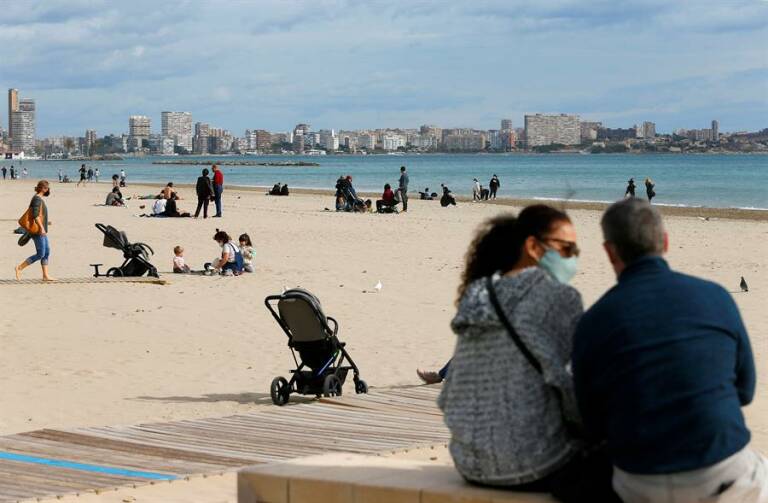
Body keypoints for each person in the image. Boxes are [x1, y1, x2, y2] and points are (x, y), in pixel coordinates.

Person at [572, 198, 766, 503]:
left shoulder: (594, 321)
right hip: (722, 470)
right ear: (665, 241)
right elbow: (745, 390)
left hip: (640, 478)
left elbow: (592, 420)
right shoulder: (716, 298)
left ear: (610, 251)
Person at [437, 205, 616, 501]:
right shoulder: (560, 298)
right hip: (536, 464)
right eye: (567, 249)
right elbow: (571, 390)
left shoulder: (478, 293)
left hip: (469, 463)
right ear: (532, 246)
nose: (573, 259)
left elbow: (448, 395)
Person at [15, 180, 54, 281]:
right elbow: (36, 215)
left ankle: (45, 275)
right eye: (46, 188)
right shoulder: (37, 199)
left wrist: (46, 223)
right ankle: (19, 268)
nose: (48, 189)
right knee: (41, 253)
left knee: (47, 252)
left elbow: (40, 215)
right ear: (42, 188)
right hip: (37, 231)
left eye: (48, 188)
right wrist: (41, 227)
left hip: (41, 229)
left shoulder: (39, 199)